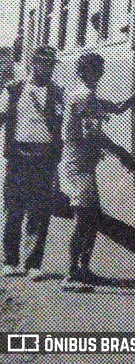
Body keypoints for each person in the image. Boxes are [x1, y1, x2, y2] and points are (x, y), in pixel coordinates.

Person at [58, 53, 135, 291]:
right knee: (84, 220)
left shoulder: (87, 95)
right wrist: (121, 153)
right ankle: (71, 273)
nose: (101, 74)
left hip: (83, 165)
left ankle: (83, 269)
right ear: (89, 72)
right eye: (98, 70)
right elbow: (93, 135)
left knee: (91, 218)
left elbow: (117, 108)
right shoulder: (83, 97)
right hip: (78, 166)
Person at [0, 45, 64, 280]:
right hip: (18, 155)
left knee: (40, 211)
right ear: (32, 64)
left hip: (45, 158)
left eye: (50, 65)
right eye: (42, 64)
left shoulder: (57, 93)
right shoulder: (14, 90)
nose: (46, 69)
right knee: (14, 209)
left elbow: (61, 126)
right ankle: (10, 260)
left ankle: (33, 263)